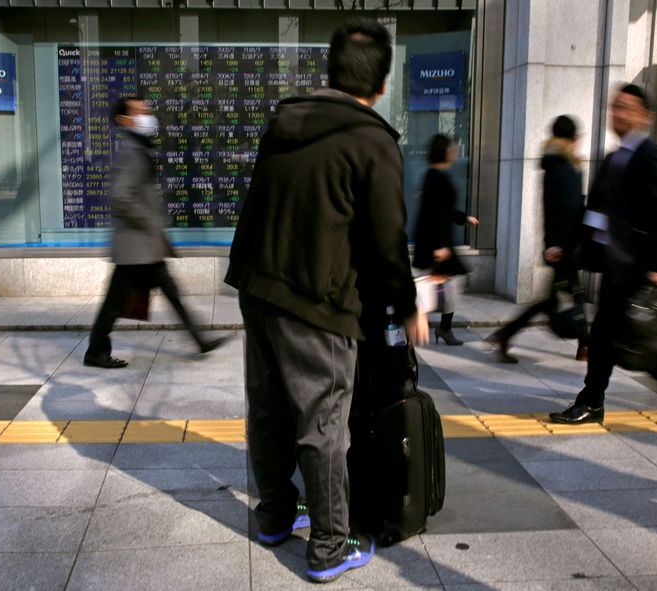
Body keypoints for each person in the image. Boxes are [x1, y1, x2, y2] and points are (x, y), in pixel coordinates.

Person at [225, 18, 428, 583]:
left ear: (330, 71)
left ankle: (272, 517)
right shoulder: (372, 141)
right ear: (381, 86)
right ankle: (329, 546)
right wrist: (408, 305)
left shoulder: (284, 123)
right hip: (317, 298)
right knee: (323, 420)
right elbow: (387, 243)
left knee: (268, 409)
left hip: (257, 287)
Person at [549, 84, 657, 424]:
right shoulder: (611, 158)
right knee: (610, 334)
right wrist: (567, 243)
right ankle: (600, 396)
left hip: (634, 266)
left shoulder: (652, 155)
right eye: (615, 107)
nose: (618, 114)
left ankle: (595, 399)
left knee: (608, 335)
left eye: (627, 108)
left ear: (644, 116)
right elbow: (593, 210)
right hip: (612, 263)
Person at [84, 97, 224, 368]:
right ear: (124, 121)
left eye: (147, 110)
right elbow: (120, 197)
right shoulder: (130, 152)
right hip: (135, 246)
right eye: (140, 112)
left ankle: (200, 339)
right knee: (115, 304)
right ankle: (95, 352)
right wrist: (148, 218)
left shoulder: (138, 149)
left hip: (142, 245)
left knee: (168, 292)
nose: (147, 115)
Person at [486, 115, 589, 363]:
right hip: (564, 246)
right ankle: (507, 335)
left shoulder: (555, 165)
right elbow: (567, 211)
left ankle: (584, 345)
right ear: (574, 138)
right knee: (556, 299)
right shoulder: (565, 168)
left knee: (565, 296)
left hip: (559, 244)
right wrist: (560, 245)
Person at [412, 134, 479, 346]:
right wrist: (440, 245)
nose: (455, 151)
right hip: (436, 243)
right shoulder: (435, 177)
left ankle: (443, 328)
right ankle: (423, 324)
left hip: (438, 242)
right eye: (452, 148)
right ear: (443, 151)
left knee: (446, 285)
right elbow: (436, 212)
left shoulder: (437, 175)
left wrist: (463, 218)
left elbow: (445, 209)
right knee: (431, 286)